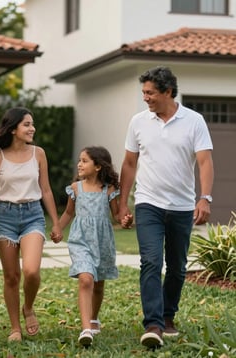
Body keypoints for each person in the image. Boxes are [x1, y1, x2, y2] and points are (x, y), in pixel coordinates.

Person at [118, 66, 214, 349]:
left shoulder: (194, 121)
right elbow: (129, 163)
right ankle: (153, 324)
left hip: (182, 206)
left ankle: (168, 315)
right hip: (148, 202)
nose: (145, 98)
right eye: (143, 92)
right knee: (150, 261)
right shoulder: (138, 122)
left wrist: (204, 198)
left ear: (168, 91)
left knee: (177, 267)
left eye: (150, 93)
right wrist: (124, 203)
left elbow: (205, 161)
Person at [0, 107, 63, 342]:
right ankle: (15, 328)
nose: (32, 128)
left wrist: (57, 223)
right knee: (11, 277)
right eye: (27, 124)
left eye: (32, 124)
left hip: (33, 215)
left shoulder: (38, 153)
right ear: (12, 129)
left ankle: (28, 307)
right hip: (5, 217)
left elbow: (46, 190)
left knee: (31, 271)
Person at [58, 146, 133, 347]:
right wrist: (57, 229)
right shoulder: (75, 188)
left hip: (102, 241)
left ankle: (93, 318)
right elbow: (68, 213)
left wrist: (124, 221)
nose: (79, 164)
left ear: (98, 166)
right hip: (80, 239)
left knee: (98, 282)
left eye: (84, 161)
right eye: (79, 160)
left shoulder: (108, 189)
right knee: (85, 279)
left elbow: (116, 215)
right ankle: (86, 330)